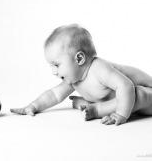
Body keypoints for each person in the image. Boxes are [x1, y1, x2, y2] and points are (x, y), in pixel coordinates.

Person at [10, 24, 152, 125]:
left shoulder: (100, 70)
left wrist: (121, 114)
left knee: (137, 93)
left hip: (147, 96)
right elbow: (54, 95)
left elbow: (126, 86)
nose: (54, 72)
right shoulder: (74, 78)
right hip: (130, 103)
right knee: (123, 96)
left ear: (79, 59)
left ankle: (96, 109)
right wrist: (33, 106)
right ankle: (93, 105)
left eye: (57, 65)